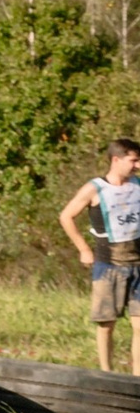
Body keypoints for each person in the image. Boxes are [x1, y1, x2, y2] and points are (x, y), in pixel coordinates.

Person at [58, 140, 140, 373]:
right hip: (108, 265)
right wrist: (84, 249)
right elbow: (66, 216)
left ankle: (137, 378)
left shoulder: (137, 185)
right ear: (116, 160)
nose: (137, 166)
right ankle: (106, 373)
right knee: (106, 324)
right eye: (133, 160)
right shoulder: (95, 188)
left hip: (138, 264)